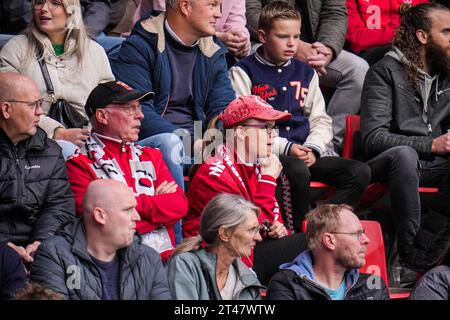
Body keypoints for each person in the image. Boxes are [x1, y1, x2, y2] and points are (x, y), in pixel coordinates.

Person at [230, 1, 371, 233]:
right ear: (263, 36)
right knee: (296, 169)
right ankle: (297, 232)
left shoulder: (305, 72)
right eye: (283, 37)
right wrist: (287, 149)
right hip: (268, 154)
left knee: (358, 172)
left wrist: (314, 148)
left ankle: (320, 224)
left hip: (305, 152)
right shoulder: (243, 71)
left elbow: (320, 119)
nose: (292, 44)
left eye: (296, 37)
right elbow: (244, 127)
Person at [360, 2, 450, 286]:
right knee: (405, 154)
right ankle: (407, 255)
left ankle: (424, 254)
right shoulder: (384, 71)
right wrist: (430, 144)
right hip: (390, 163)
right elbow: (373, 138)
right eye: (447, 32)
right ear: (423, 37)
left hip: (434, 165)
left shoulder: (447, 75)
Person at [65, 81, 188, 261]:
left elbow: (179, 205)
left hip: (164, 262)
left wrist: (122, 207)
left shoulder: (151, 155)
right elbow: (102, 228)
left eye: (139, 108)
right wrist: (159, 212)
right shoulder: (78, 164)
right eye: (130, 109)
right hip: (115, 265)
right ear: (102, 116)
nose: (141, 115)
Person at [112, 0, 236, 179]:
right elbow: (137, 110)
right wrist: (191, 142)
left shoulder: (213, 49)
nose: (218, 14)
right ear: (185, 6)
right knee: (171, 143)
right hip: (155, 143)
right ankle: (176, 207)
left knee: (250, 143)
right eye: (212, 5)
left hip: (201, 144)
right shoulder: (140, 45)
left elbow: (224, 110)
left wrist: (217, 141)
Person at [246, 0, 370, 155]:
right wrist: (295, 46)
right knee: (251, 57)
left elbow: (335, 13)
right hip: (268, 42)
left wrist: (327, 49)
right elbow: (250, 11)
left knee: (358, 69)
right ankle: (269, 145)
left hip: (315, 47)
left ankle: (326, 146)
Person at [30, 179, 171, 300]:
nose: (137, 217)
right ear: (100, 215)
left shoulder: (148, 259)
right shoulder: (53, 256)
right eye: (128, 209)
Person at [0, 0, 114, 149]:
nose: (44, 9)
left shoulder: (95, 51)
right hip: (35, 141)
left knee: (155, 144)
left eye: (55, 3)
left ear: (71, 10)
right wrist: (57, 132)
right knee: (68, 149)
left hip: (89, 138)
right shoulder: (15, 49)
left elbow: (109, 102)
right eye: (39, 2)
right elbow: (9, 105)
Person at [0, 73, 75, 263]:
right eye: (32, 105)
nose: (40, 112)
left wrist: (41, 240)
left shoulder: (49, 150)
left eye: (40, 104)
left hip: (39, 248)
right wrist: (5, 249)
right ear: (6, 109)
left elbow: (59, 205)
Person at [267, 204, 390, 300]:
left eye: (363, 233)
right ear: (329, 241)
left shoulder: (373, 285)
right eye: (357, 234)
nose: (366, 240)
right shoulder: (286, 284)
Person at [166, 194, 265, 300]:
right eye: (251, 230)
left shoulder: (248, 280)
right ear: (225, 233)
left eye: (258, 230)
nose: (258, 238)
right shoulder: (185, 265)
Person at [132, 0, 251, 61]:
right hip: (157, 41)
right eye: (212, 5)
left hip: (211, 47)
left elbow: (237, 21)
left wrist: (241, 40)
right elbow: (173, 21)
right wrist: (217, 38)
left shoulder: (214, 54)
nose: (219, 14)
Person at [346, 0, 429, 66]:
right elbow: (356, 38)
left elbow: (429, 22)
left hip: (411, 45)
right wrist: (402, 33)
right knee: (402, 52)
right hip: (367, 53)